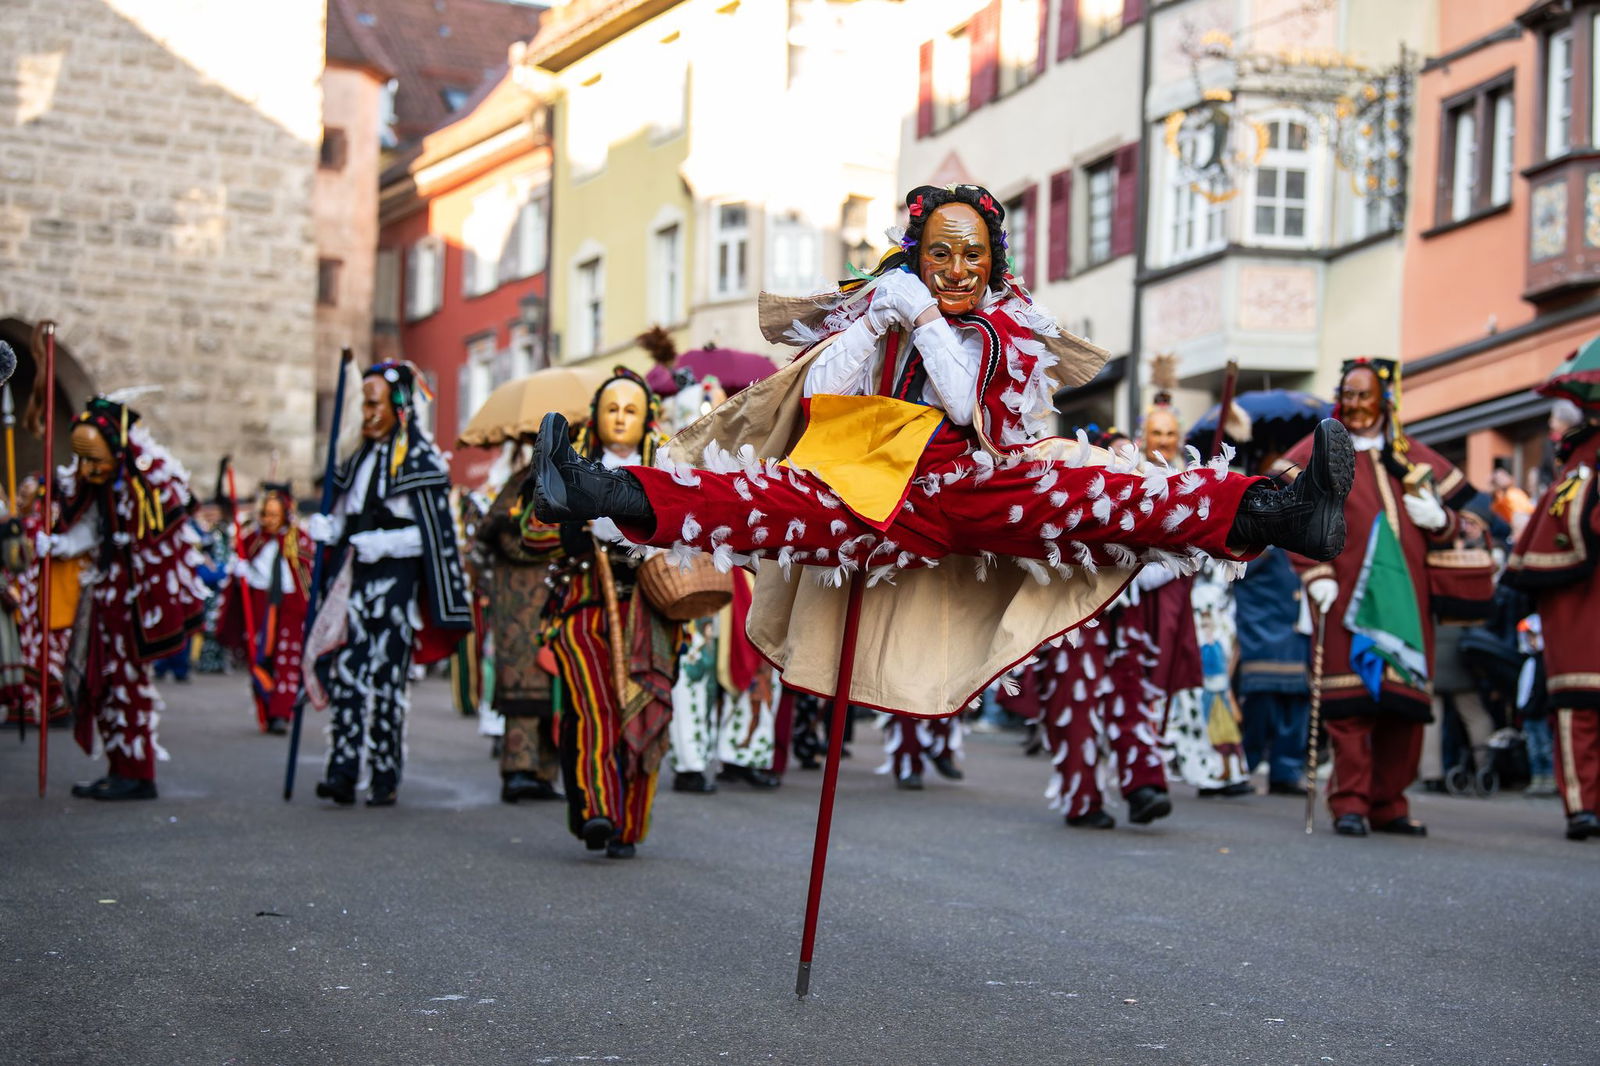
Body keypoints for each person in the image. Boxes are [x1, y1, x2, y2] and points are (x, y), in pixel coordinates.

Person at [525, 184, 1354, 725]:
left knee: (1113, 495)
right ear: (915, 256)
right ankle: (592, 490)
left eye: (972, 255)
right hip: (869, 493)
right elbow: (823, 395)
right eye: (940, 254)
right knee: (751, 504)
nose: (956, 269)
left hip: (976, 486)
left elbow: (962, 402)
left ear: (993, 264)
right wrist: (879, 317)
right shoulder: (890, 307)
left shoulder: (998, 328)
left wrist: (921, 316)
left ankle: (1282, 514)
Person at [1277, 358, 1476, 838]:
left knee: (1403, 708)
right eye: (1348, 395)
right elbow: (1291, 515)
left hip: (1409, 600)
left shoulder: (1414, 459)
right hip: (1344, 595)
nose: (1356, 405)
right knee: (1350, 707)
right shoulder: (1316, 451)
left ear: (1386, 401)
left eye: (1364, 395)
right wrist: (1314, 572)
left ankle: (1390, 803)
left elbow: (1464, 528)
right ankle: (1350, 802)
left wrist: (1441, 521)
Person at [525, 369, 680, 859]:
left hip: (652, 613)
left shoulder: (669, 465)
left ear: (647, 417)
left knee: (645, 708)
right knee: (596, 709)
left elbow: (694, 533)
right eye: (611, 408)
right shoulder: (569, 463)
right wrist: (574, 524)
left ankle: (628, 826)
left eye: (631, 410)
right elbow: (531, 534)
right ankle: (599, 809)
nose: (620, 418)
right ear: (595, 415)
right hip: (584, 607)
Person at [303, 362, 472, 807]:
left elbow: (434, 536)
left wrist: (385, 543)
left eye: (373, 403)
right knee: (347, 673)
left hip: (395, 584)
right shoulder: (357, 460)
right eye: (363, 404)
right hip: (354, 580)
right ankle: (342, 771)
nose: (366, 413)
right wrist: (328, 530)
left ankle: (384, 774)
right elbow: (346, 516)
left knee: (386, 678)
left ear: (398, 406)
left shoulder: (420, 461)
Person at [42, 395, 208, 800]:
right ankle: (119, 767)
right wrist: (59, 544)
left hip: (136, 604)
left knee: (129, 685)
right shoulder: (103, 486)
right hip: (106, 594)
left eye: (95, 460)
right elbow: (93, 528)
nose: (87, 470)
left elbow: (158, 540)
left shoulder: (147, 481)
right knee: (104, 682)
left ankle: (137, 773)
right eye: (82, 460)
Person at [1502, 381, 1600, 840]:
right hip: (1577, 605)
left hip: (1581, 602)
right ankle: (1583, 807)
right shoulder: (1580, 465)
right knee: (1578, 706)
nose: (1552, 432)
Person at [475, 450, 563, 803]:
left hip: (553, 605)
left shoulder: (565, 479)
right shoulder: (519, 485)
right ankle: (518, 771)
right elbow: (504, 536)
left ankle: (544, 773)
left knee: (554, 692)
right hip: (519, 609)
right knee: (523, 691)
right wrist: (554, 540)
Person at [220, 482, 311, 735]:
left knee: (286, 659)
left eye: (273, 514)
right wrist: (240, 571)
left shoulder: (299, 538)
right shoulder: (253, 539)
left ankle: (281, 712)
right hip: (261, 602)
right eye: (264, 514)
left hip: (290, 605)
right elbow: (242, 563)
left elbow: (308, 570)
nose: (268, 520)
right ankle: (267, 707)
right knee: (260, 657)